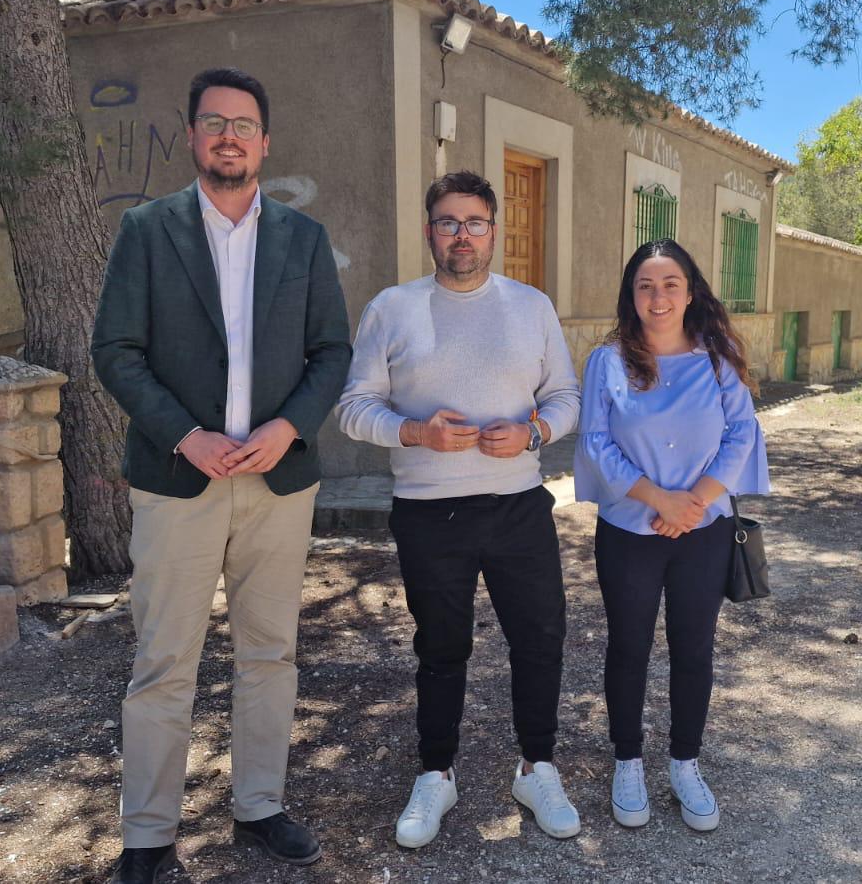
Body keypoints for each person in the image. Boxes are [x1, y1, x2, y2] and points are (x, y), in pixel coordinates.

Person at [91, 67, 352, 883]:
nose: (229, 135)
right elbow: (116, 352)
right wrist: (186, 436)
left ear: (265, 143)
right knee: (164, 660)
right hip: (179, 480)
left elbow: (331, 354)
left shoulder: (301, 241)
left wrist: (286, 427)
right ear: (196, 136)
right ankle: (147, 833)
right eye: (214, 122)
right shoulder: (147, 229)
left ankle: (261, 806)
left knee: (269, 654)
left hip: (279, 480)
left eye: (243, 124)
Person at [336, 170, 582, 849]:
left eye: (475, 222)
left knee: (539, 640)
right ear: (429, 231)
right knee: (441, 648)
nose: (462, 235)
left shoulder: (531, 306)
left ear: (494, 231)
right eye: (448, 222)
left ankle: (536, 768)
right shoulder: (392, 307)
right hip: (429, 511)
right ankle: (437, 775)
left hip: (518, 506)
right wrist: (416, 432)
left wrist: (534, 434)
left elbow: (565, 396)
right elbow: (354, 407)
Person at [573, 238, 770, 832]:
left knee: (694, 648)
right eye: (645, 286)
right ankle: (628, 760)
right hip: (629, 529)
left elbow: (741, 433)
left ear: (691, 292)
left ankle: (685, 762)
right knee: (628, 647)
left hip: (704, 530)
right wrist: (659, 500)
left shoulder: (718, 356)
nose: (658, 297)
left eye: (670, 285)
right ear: (630, 296)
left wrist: (697, 503)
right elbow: (595, 443)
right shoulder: (607, 361)